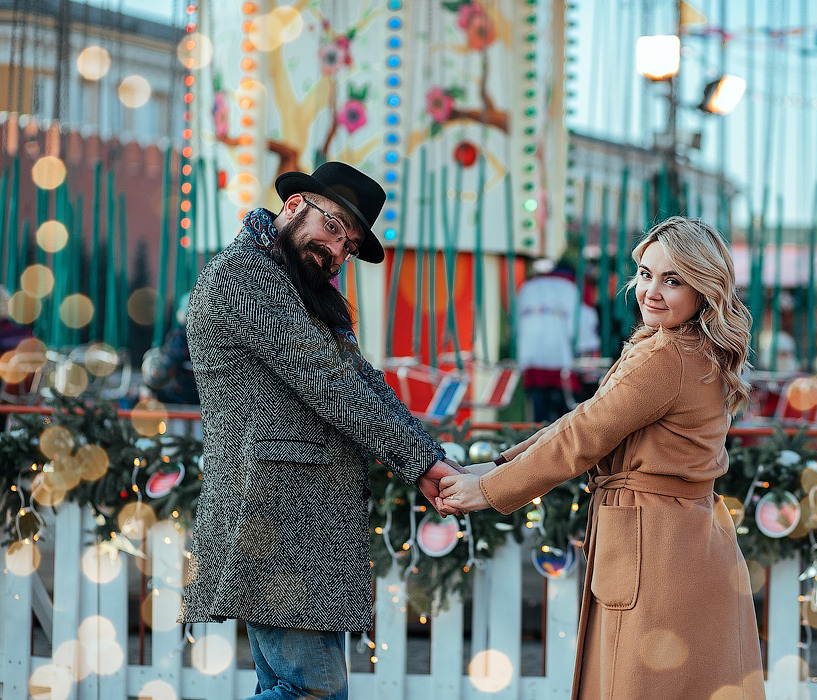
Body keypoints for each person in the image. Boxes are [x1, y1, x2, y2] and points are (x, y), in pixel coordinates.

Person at [439, 217, 765, 699]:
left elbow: (583, 436)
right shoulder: (695, 348)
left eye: (673, 280)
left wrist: (488, 489)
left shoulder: (666, 356)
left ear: (703, 288)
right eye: (647, 274)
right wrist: (500, 465)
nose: (651, 291)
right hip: (687, 542)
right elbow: (586, 421)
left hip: (656, 549)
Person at [181, 162, 462, 700]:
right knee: (315, 691)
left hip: (297, 521)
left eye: (350, 246)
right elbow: (330, 382)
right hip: (273, 518)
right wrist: (424, 463)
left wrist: (428, 458)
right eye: (334, 228)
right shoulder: (241, 276)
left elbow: (362, 381)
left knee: (297, 686)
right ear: (293, 206)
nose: (338, 252)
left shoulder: (296, 286)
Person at [515, 259, 601, 422]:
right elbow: (586, 326)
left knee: (537, 424)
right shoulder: (576, 286)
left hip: (531, 362)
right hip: (564, 364)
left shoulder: (528, 286)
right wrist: (590, 367)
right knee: (567, 425)